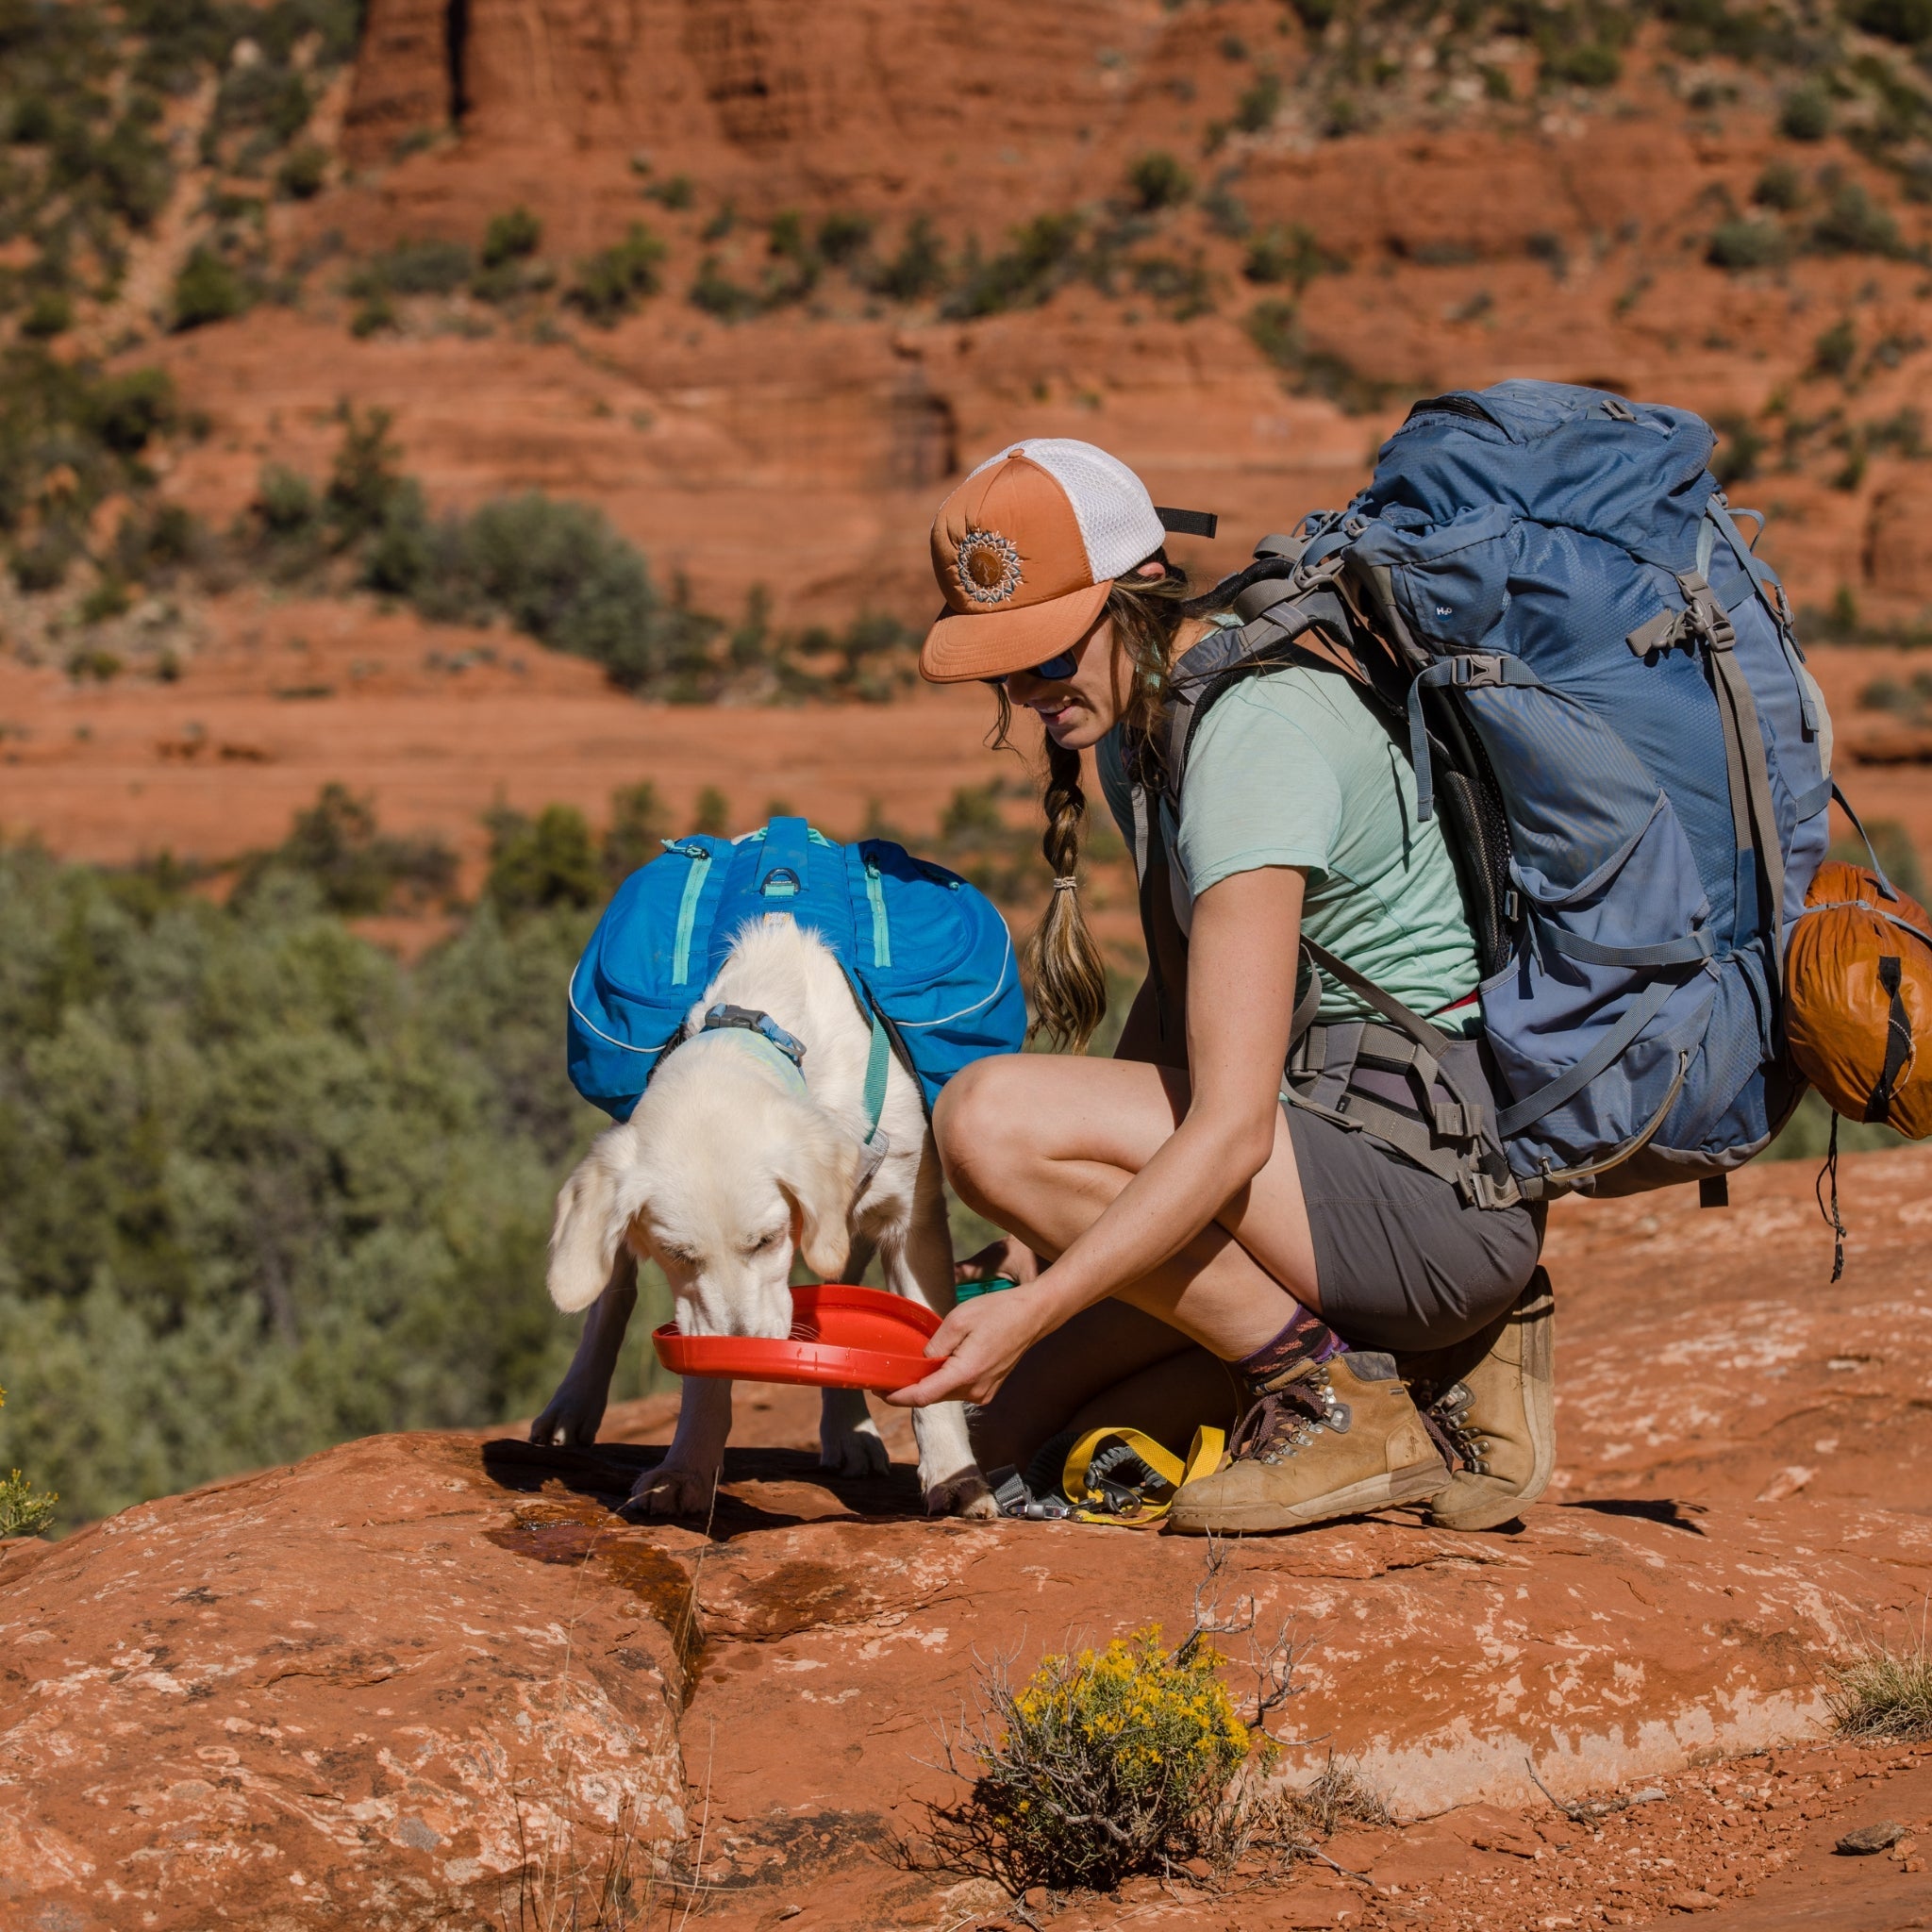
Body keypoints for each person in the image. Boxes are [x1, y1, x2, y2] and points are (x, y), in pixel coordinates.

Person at [886, 438, 1553, 1534]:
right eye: (1001, 667)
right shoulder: (1145, 722)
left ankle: (1340, 1401)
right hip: (1322, 1166)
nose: (1024, 689)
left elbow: (1230, 1126)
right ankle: (1418, 1358)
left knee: (987, 1119)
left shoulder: (1252, 734)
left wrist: (1041, 1302)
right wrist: (1036, 1244)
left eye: (1046, 653)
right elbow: (1174, 1016)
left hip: (1417, 1186)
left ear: (1140, 594)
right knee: (1004, 1438)